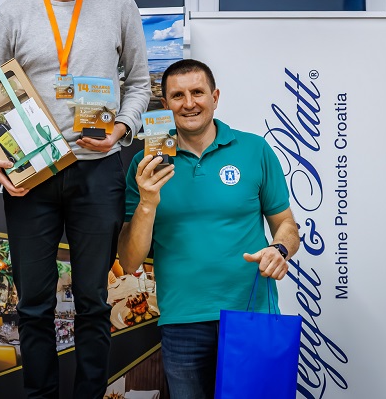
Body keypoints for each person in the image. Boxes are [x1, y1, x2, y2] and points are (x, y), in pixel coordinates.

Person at [0, 0, 150, 398]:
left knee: (94, 300)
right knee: (34, 305)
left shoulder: (119, 4)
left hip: (98, 170)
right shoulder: (12, 13)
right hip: (32, 173)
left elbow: (140, 84)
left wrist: (121, 130)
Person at [117, 59, 301, 398]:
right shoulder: (146, 165)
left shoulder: (254, 150)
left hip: (250, 314)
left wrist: (280, 249)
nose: (189, 103)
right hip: (182, 321)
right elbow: (129, 261)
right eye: (178, 96)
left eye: (197, 92)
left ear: (215, 97)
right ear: (165, 104)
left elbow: (286, 224)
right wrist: (147, 203)